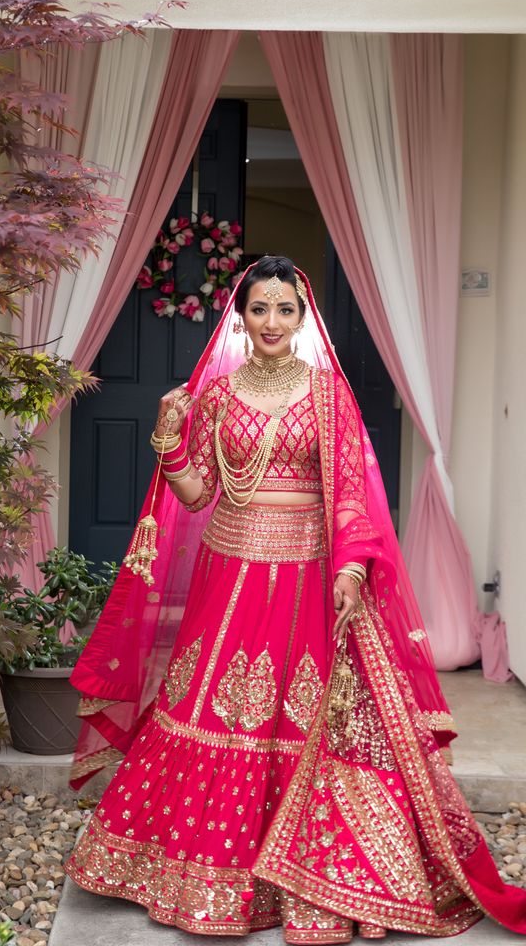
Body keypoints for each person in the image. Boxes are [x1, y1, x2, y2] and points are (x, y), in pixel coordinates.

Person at [64, 257, 526, 942]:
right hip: (228, 576)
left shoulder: (328, 395)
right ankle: (194, 872)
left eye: (285, 309)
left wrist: (352, 569)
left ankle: (311, 880)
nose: (272, 321)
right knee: (211, 705)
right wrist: (168, 440)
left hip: (308, 575)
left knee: (303, 714)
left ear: (303, 318)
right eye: (260, 309)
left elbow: (351, 495)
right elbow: (198, 494)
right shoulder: (218, 396)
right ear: (240, 318)